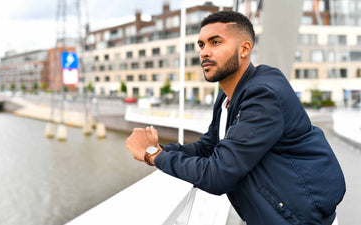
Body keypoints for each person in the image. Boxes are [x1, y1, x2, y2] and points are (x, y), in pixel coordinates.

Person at [126, 11, 345, 225]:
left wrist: (151, 155)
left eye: (215, 42)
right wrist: (163, 149)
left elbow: (218, 175)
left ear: (244, 48)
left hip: (300, 219)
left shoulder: (263, 95)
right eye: (201, 45)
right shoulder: (227, 95)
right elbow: (209, 147)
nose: (204, 52)